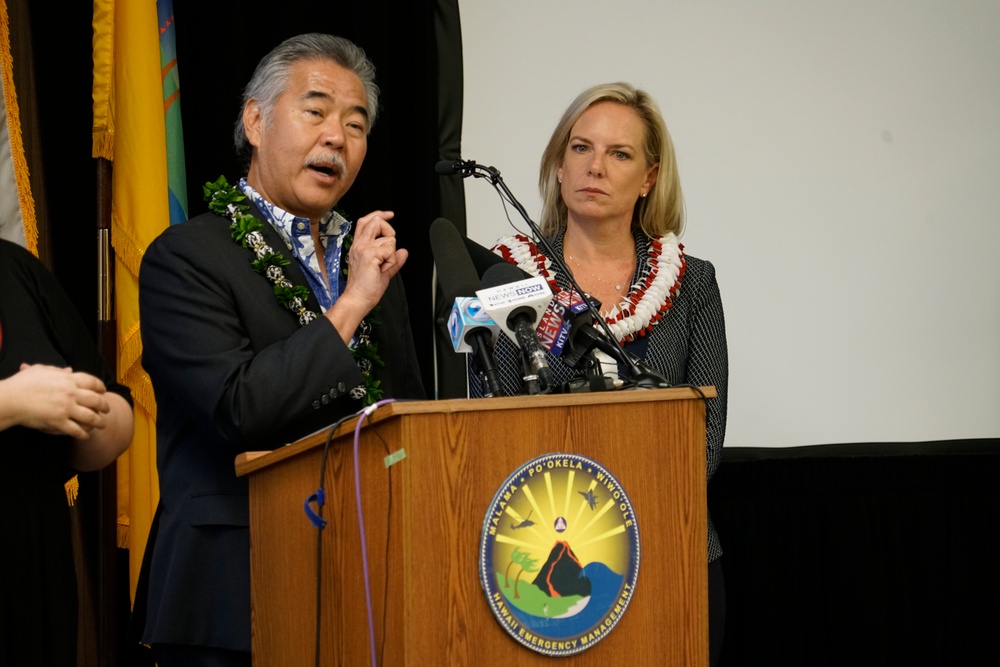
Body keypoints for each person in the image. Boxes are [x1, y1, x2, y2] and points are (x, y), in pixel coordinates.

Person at [133, 34, 425, 666]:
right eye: (315, 111)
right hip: (234, 591)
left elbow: (405, 417)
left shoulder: (369, 262)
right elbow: (239, 408)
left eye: (356, 123)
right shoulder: (185, 259)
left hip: (369, 580)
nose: (337, 137)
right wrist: (349, 306)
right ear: (256, 121)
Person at [478, 82, 729, 666]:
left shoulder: (694, 283)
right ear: (558, 168)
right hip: (544, 565)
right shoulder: (507, 278)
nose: (596, 166)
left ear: (648, 178)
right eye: (581, 148)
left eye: (619, 154)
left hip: (674, 547)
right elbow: (495, 425)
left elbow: (705, 441)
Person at [0, 238, 134, 667]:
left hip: (36, 569)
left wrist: (92, 412)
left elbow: (111, 404)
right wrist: (14, 402)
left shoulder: (13, 267)